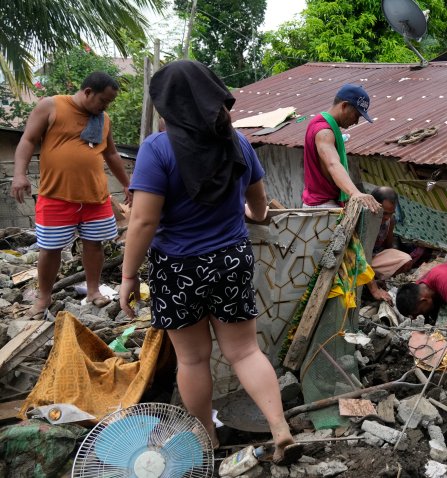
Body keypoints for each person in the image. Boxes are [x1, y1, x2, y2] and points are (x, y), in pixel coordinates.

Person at [118, 60, 300, 464]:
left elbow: (145, 220)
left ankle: (208, 442)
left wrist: (129, 275)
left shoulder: (157, 149)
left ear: (168, 105)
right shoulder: (238, 143)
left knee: (193, 358)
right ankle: (279, 427)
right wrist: (250, 216)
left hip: (178, 268)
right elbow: (259, 206)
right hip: (231, 261)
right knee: (246, 352)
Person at [10, 72, 130, 318]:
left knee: (94, 245)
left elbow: (112, 155)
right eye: (103, 101)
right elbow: (28, 139)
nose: (105, 107)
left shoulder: (102, 118)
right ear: (87, 92)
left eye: (109, 103)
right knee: (49, 248)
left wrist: (128, 184)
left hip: (95, 197)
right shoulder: (51, 106)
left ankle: (94, 291)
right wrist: (19, 174)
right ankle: (44, 298)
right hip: (56, 196)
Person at [301, 83, 381, 213]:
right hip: (323, 207)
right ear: (344, 106)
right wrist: (355, 193)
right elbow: (332, 164)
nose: (356, 122)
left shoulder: (325, 125)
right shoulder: (324, 131)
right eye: (356, 115)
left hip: (323, 204)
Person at [365, 186, 413, 304]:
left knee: (406, 260)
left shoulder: (389, 221)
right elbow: (359, 255)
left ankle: (376, 280)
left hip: (374, 258)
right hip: (358, 260)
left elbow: (388, 247)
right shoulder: (364, 220)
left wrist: (389, 268)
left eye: (390, 213)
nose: (386, 217)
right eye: (384, 213)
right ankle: (368, 285)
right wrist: (374, 290)